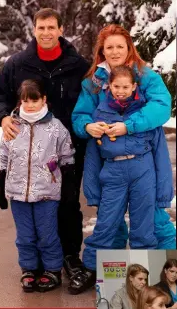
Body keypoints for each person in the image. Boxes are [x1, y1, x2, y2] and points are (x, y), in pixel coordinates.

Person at [69, 23, 176, 291]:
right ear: (101, 52)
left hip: (143, 158)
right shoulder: (93, 83)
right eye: (109, 47)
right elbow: (81, 115)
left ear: (129, 48)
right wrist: (87, 126)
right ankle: (110, 282)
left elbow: (161, 107)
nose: (115, 51)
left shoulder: (145, 76)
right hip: (109, 161)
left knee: (153, 219)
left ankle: (167, 271)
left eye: (120, 46)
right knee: (110, 221)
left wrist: (130, 125)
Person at [0, 8, 90, 277]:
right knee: (33, 211)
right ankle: (35, 265)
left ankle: (69, 256)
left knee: (68, 204)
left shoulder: (78, 66)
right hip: (29, 152)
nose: (46, 32)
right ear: (34, 30)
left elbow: (92, 100)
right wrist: (3, 118)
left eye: (51, 27)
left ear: (61, 30)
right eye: (41, 28)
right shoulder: (17, 64)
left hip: (68, 149)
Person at [0, 79, 76, 292]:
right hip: (17, 192)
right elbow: (4, 156)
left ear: (44, 100)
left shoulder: (56, 127)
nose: (30, 105)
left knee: (47, 234)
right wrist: (1, 184)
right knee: (24, 236)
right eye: (25, 100)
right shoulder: (12, 125)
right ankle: (29, 269)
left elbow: (67, 155)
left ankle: (52, 270)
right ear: (20, 101)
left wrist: (67, 183)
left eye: (34, 100)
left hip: (46, 193)